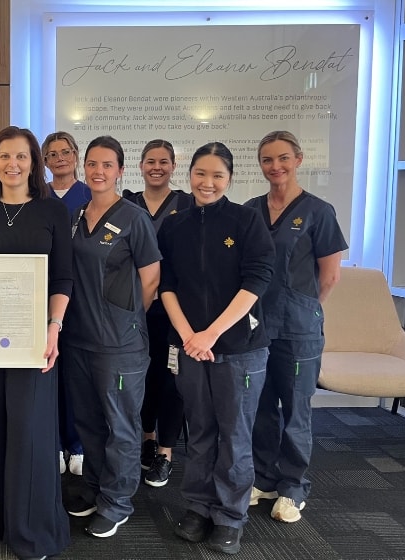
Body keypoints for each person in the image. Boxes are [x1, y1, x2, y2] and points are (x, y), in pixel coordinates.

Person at [0, 126, 72, 560]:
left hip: (34, 338)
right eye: (4, 156)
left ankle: (31, 531)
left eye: (21, 156)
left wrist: (53, 326)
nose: (12, 164)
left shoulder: (52, 211)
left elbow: (62, 278)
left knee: (29, 430)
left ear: (34, 162)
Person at [158, 142, 275, 555]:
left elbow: (256, 281)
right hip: (191, 347)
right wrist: (190, 335)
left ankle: (229, 516)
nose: (208, 183)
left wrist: (210, 334)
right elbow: (166, 285)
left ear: (229, 179)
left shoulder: (247, 221)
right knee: (201, 432)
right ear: (188, 174)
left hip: (238, 348)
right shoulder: (174, 225)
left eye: (217, 176)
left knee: (235, 435)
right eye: (200, 174)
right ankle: (198, 508)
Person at [62, 136, 161, 538]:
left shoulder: (134, 218)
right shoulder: (75, 216)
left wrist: (124, 319)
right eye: (92, 164)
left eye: (106, 165)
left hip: (119, 345)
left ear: (121, 170)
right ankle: (95, 487)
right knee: (88, 422)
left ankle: (117, 501)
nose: (97, 171)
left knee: (120, 424)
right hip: (77, 340)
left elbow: (150, 279)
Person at [247, 131, 347, 523]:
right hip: (256, 328)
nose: (276, 167)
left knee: (295, 410)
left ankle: (293, 488)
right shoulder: (251, 210)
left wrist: (305, 310)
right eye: (268, 160)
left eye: (283, 158)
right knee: (260, 409)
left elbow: (330, 276)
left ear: (299, 159)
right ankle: (265, 478)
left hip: (299, 328)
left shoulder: (319, 212)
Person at [126, 140, 193, 487]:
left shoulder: (187, 204)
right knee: (144, 381)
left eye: (164, 161)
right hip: (135, 311)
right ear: (140, 165)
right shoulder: (127, 204)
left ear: (172, 166)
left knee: (172, 383)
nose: (156, 167)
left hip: (174, 312)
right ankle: (147, 441)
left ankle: (166, 453)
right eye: (150, 161)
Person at [41, 131, 89, 477]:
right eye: (52, 154)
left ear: (76, 155)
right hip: (43, 298)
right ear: (43, 161)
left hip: (81, 300)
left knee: (76, 377)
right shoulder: (37, 196)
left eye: (65, 152)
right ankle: (54, 442)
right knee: (48, 374)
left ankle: (78, 444)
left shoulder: (90, 195)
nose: (59, 158)